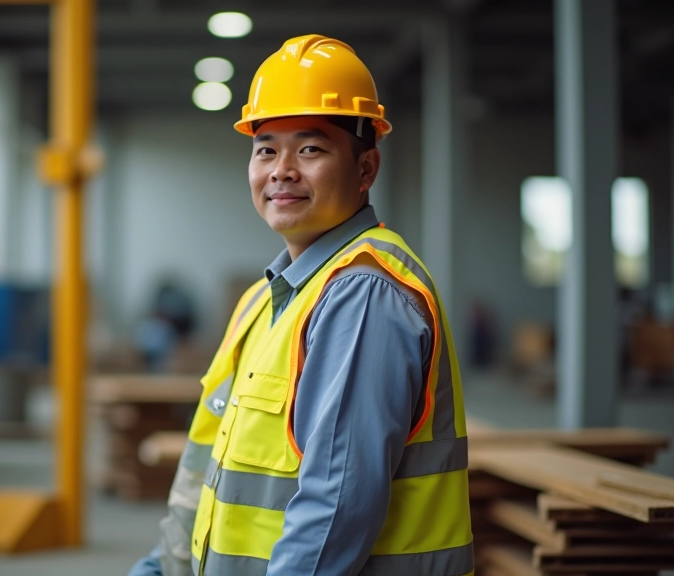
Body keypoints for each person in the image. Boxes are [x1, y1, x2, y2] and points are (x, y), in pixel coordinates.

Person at [128, 34, 473, 576]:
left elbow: (335, 510)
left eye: (310, 149)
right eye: (266, 148)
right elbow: (210, 473)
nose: (281, 170)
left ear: (365, 170)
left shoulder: (364, 294)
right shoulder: (262, 301)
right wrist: (160, 568)